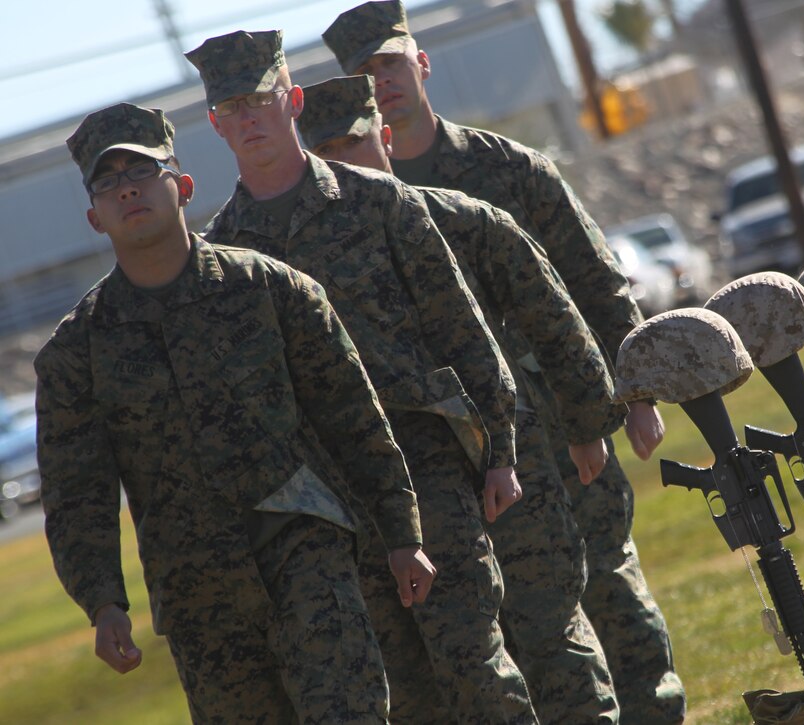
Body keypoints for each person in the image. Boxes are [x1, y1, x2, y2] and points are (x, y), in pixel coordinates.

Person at [323, 3, 686, 721]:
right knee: (512, 619)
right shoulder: (346, 203)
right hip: (457, 453)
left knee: (604, 580)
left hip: (556, 416)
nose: (382, 81)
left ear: (421, 64)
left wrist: (634, 394)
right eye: (364, 73)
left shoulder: (502, 170)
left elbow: (593, 279)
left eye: (391, 63)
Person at [37, 102, 435, 724]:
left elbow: (354, 418)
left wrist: (403, 534)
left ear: (184, 187)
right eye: (108, 183)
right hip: (200, 601)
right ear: (94, 217)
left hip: (309, 557)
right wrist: (104, 603)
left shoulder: (274, 290)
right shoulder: (75, 353)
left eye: (142, 172)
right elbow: (76, 493)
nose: (128, 190)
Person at [185, 30, 538, 724]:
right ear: (215, 125)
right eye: (233, 106)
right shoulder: (223, 259)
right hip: (327, 501)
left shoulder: (380, 203)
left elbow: (461, 329)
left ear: (291, 100)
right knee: (400, 693)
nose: (250, 117)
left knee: (474, 665)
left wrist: (499, 449)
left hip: (427, 464)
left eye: (261, 98)